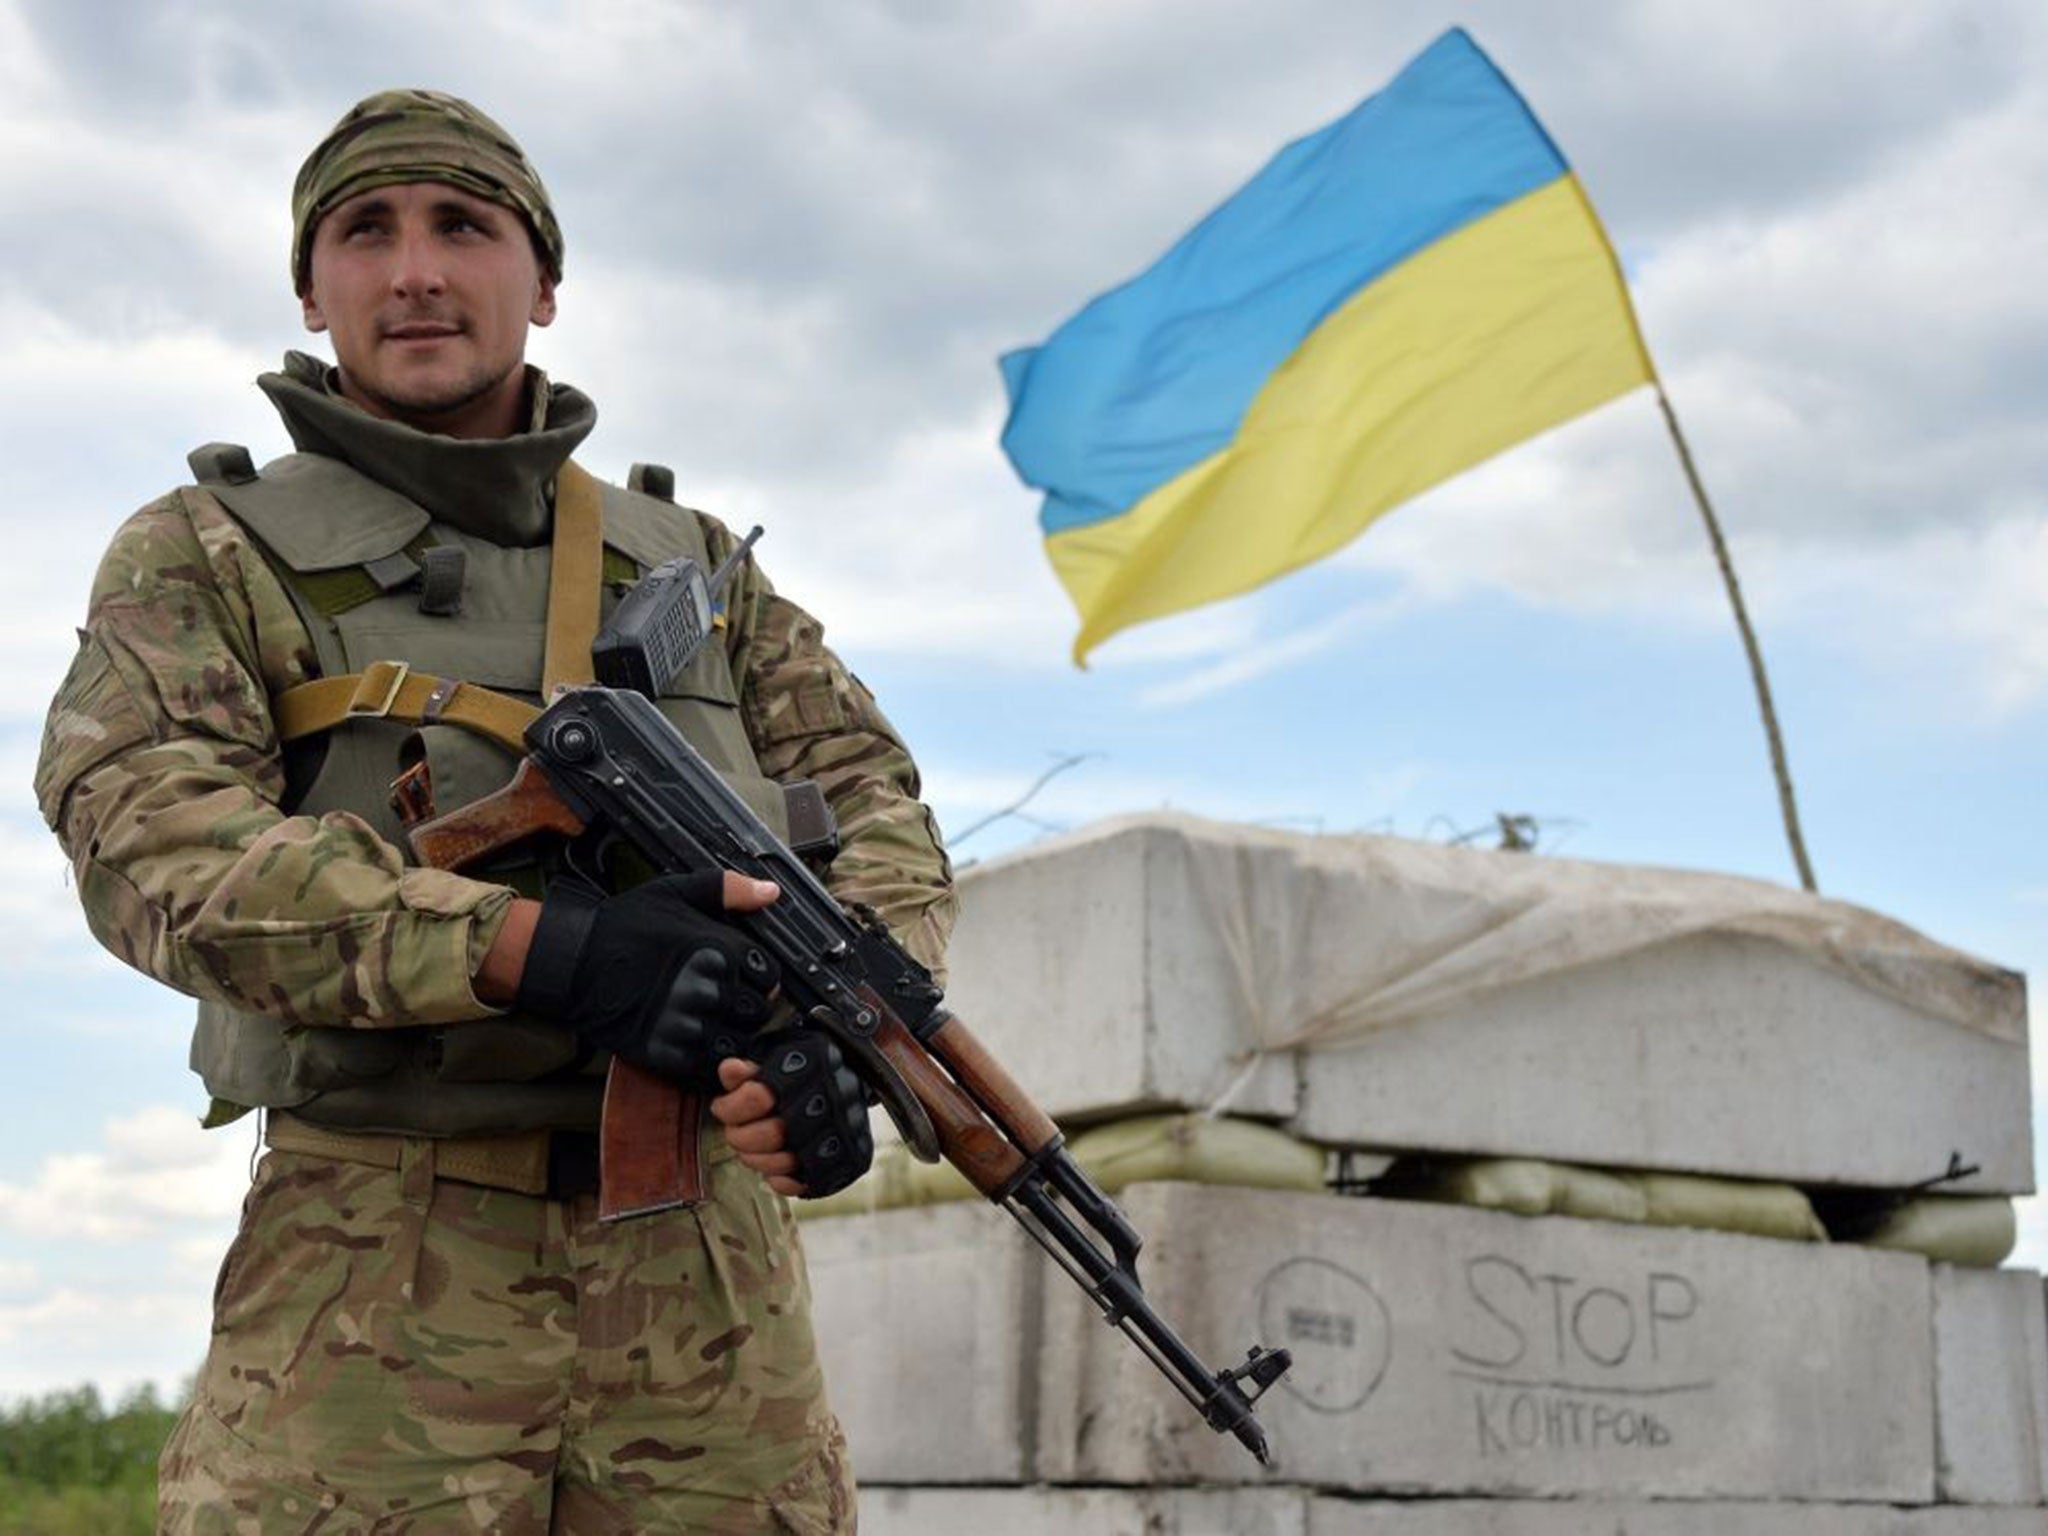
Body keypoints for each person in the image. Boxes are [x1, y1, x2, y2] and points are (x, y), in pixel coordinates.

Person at [32, 88, 954, 1534]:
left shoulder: (699, 566)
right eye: (365, 230)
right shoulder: (205, 552)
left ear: (543, 279)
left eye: (464, 226)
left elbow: (873, 803)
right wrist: (545, 955)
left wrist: (830, 1040)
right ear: (310, 284)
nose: (415, 271)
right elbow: (150, 838)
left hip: (709, 1298)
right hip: (373, 1267)